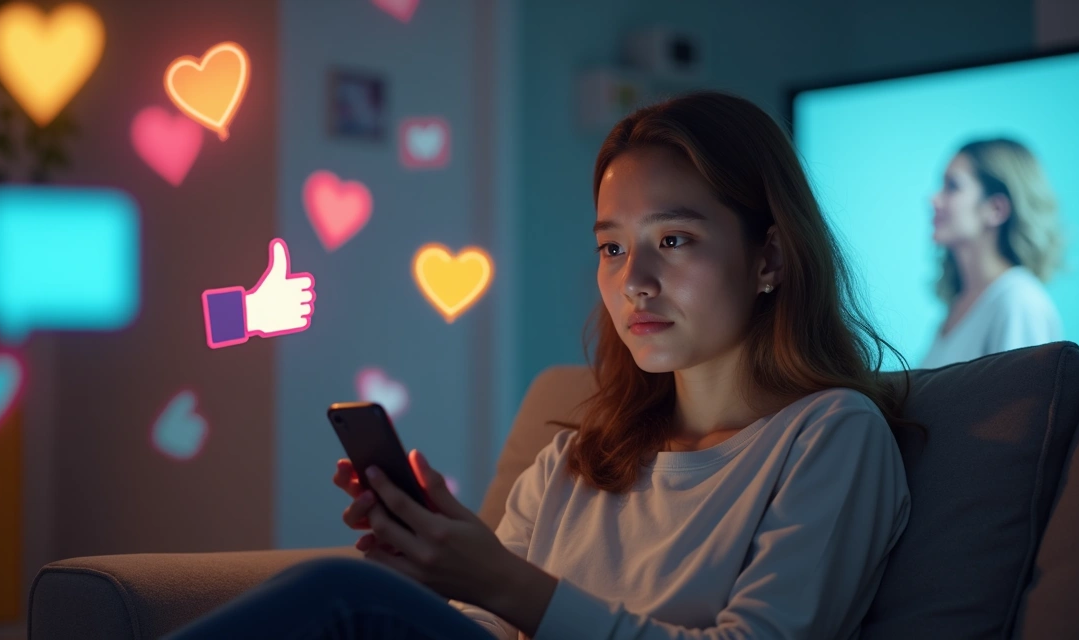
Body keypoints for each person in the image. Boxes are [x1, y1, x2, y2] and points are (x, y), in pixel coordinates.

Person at [167, 91, 919, 640]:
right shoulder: (573, 462)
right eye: (612, 248)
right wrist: (437, 577)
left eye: (676, 240)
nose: (635, 282)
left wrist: (507, 583)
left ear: (771, 257)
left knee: (337, 595)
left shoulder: (829, 436)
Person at [919, 138, 1065, 369]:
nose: (933, 199)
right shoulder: (956, 307)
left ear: (996, 209)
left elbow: (1023, 401)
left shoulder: (1019, 302)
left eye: (952, 186)